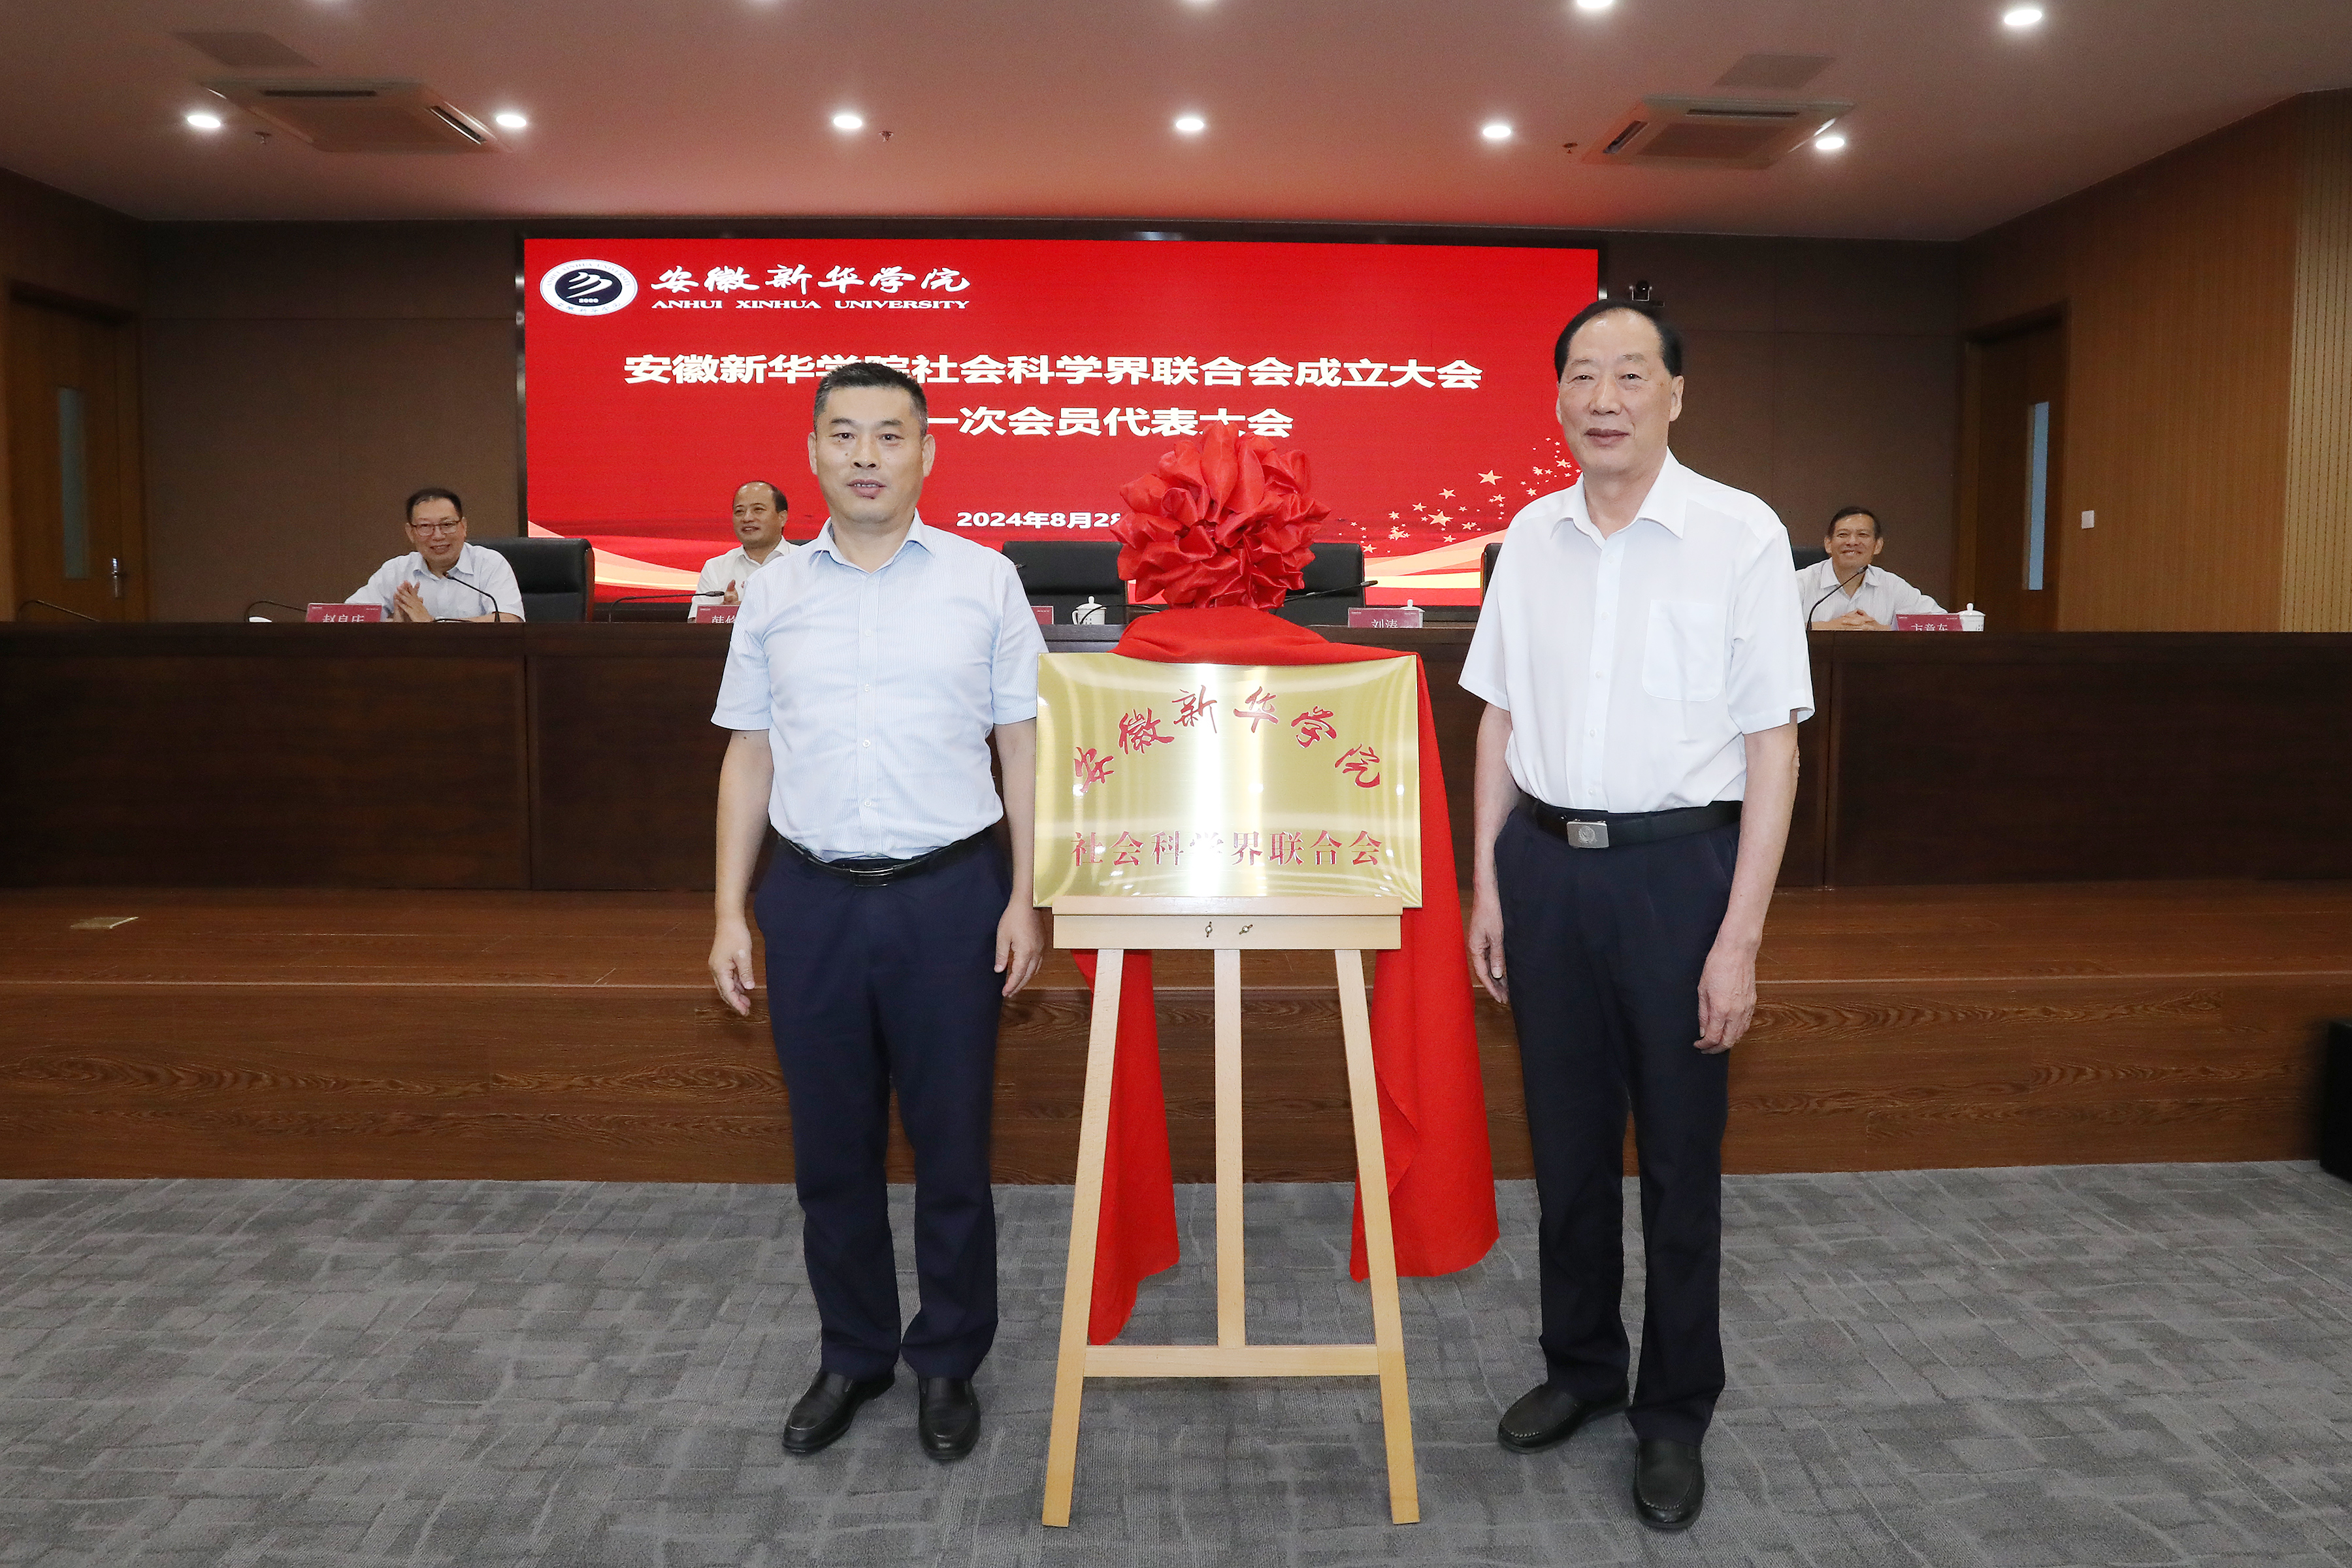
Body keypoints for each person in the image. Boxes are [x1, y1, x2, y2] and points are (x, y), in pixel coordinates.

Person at [1462, 299, 1812, 1533]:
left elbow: (1773, 749)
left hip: (1679, 878)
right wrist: (1488, 881)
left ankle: (1674, 1412)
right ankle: (1581, 1369)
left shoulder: (1740, 534)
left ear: (1675, 394)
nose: (1602, 398)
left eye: (1629, 374)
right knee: (1565, 1152)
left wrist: (1739, 939)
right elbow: (1499, 718)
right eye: (1581, 376)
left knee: (1676, 1162)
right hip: (1547, 869)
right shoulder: (1530, 534)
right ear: (1557, 396)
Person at [706, 361, 1045, 1463]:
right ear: (812, 453)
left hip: (951, 896)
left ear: (926, 453)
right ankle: (853, 1353)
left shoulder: (985, 580)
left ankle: (948, 1359)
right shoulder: (773, 592)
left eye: (889, 436)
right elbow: (749, 753)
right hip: (810, 899)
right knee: (831, 1153)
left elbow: (1022, 746)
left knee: (952, 1151)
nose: (865, 456)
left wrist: (1026, 896)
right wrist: (729, 913)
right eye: (844, 434)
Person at [347, 488, 523, 622]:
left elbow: (509, 620)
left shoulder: (489, 564)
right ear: (410, 533)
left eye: (447, 525)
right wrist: (396, 626)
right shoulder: (396, 571)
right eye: (425, 527)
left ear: (463, 527)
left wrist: (433, 624)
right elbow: (349, 618)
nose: (438, 536)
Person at [1797, 506, 1945, 629]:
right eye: (1843, 535)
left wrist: (1882, 630)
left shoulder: (1892, 586)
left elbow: (1943, 624)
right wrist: (1828, 627)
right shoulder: (1800, 582)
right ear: (1828, 544)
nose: (1852, 542)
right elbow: (1781, 627)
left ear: (1878, 546)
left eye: (1862, 535)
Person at [688, 480, 795, 617]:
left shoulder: (809, 562)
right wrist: (724, 613)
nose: (747, 518)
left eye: (758, 510)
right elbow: (697, 624)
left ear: (782, 518)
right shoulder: (716, 568)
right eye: (739, 511)